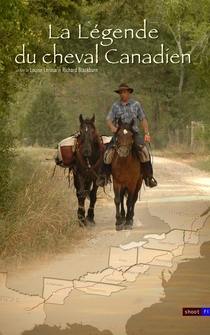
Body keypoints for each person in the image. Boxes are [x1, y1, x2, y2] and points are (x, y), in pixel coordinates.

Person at [96, 83, 157, 188]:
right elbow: (109, 120)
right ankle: (103, 176)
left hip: (133, 134)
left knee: (144, 151)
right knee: (107, 152)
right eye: (121, 92)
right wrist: (112, 127)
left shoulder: (136, 105)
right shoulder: (115, 106)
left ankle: (149, 176)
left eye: (124, 92)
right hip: (119, 134)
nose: (122, 94)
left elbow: (143, 119)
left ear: (129, 92)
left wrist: (146, 133)